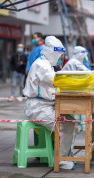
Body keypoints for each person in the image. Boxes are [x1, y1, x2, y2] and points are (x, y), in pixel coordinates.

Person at [23, 36, 75, 169]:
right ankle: (60, 160)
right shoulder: (42, 66)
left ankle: (65, 155)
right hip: (38, 108)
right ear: (52, 52)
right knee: (65, 125)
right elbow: (56, 81)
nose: (60, 58)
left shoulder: (47, 65)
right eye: (58, 55)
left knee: (70, 120)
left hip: (46, 106)